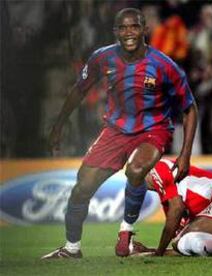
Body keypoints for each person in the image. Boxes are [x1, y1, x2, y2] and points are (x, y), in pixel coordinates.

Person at [41, 8, 198, 259]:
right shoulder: (102, 58)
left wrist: (185, 154)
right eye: (122, 28)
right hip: (115, 131)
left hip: (153, 129)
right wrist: (58, 125)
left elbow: (189, 108)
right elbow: (79, 90)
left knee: (136, 170)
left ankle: (126, 232)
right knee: (81, 188)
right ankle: (72, 249)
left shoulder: (163, 65)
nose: (128, 33)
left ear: (144, 29)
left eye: (134, 27)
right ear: (115, 31)